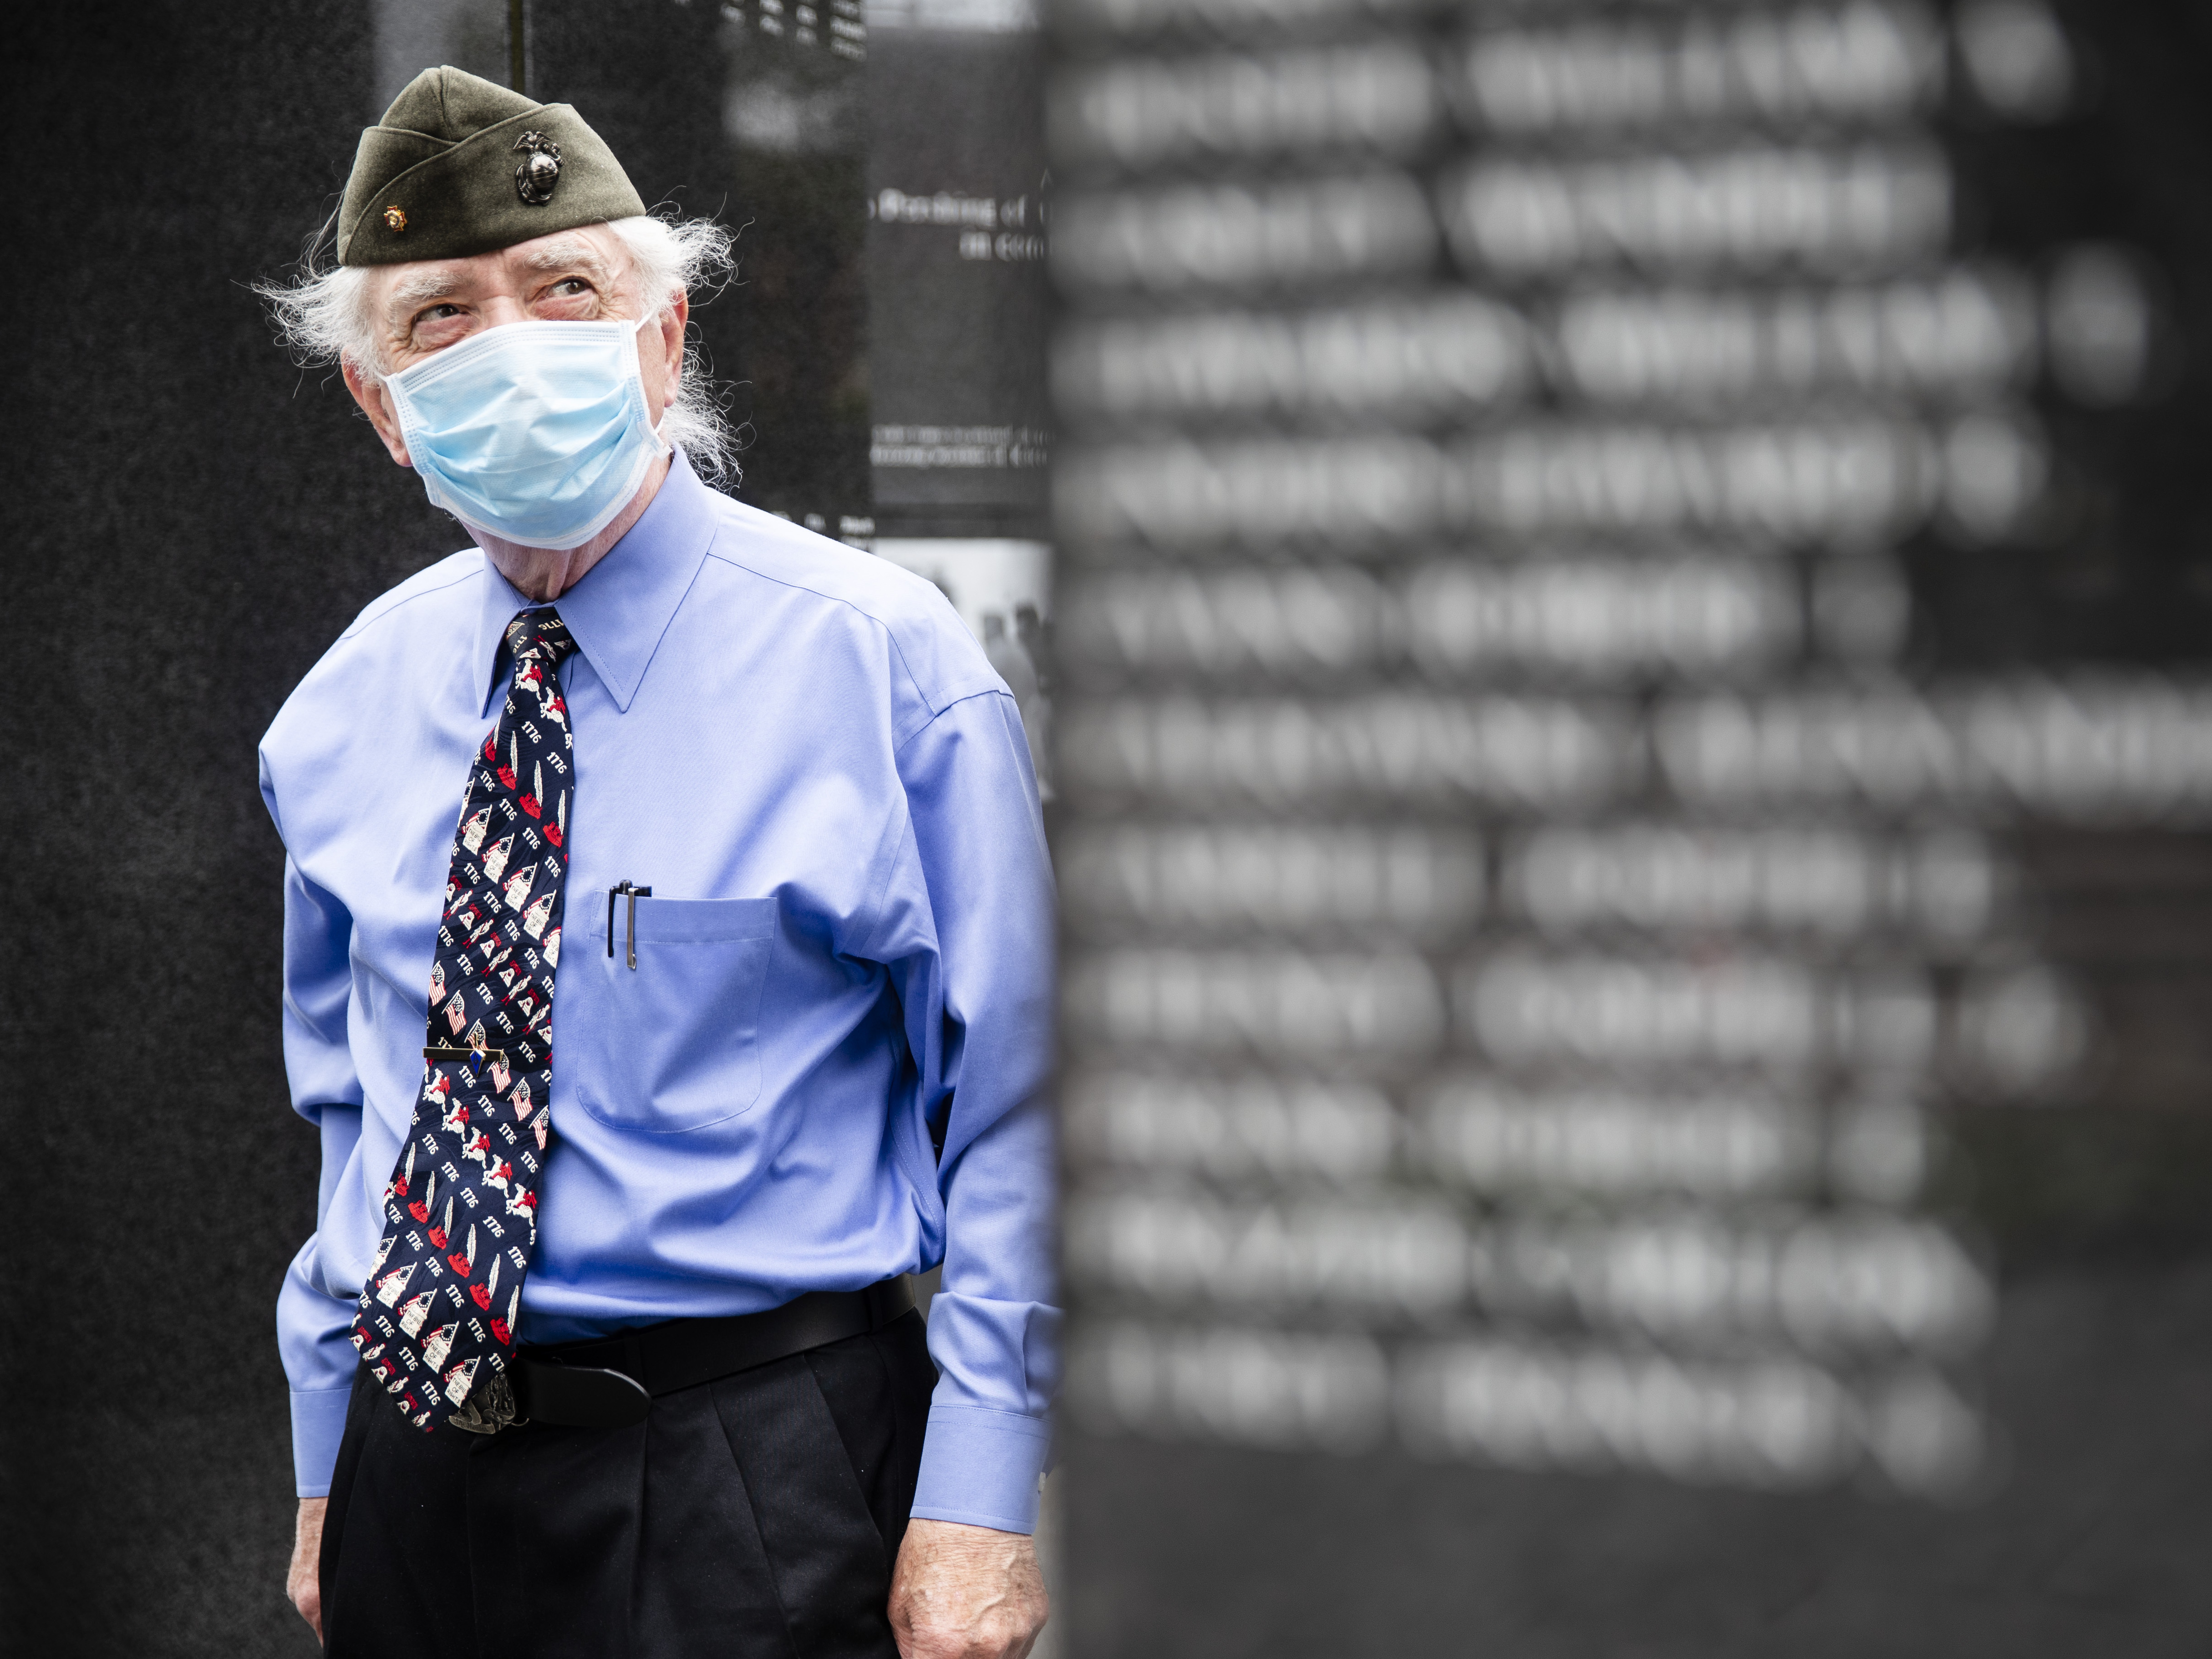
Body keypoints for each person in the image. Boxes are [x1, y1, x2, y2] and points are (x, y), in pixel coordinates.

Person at [256, 66, 1056, 1659]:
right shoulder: (343, 703)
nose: (508, 346)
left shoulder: (876, 660)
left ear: (663, 336)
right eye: (439, 319)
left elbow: (1026, 1105)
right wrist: (326, 1452)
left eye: (563, 291)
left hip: (749, 1472)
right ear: (379, 403)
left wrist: (981, 1495)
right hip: (417, 1478)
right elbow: (358, 1102)